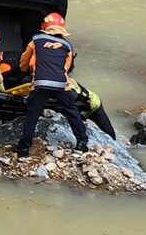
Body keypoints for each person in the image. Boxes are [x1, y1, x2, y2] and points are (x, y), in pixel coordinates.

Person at [13, 13, 90, 157]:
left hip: (40, 83)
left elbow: (24, 60)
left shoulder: (36, 39)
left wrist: (24, 71)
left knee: (32, 115)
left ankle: (23, 148)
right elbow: (66, 68)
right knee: (72, 111)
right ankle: (82, 143)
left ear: (45, 26)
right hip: (61, 84)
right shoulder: (67, 46)